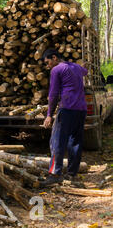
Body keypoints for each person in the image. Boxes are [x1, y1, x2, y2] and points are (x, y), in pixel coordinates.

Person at [40, 49, 88, 187]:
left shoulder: (57, 70)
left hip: (66, 109)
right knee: (75, 142)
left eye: (48, 62)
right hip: (81, 110)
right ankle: (72, 174)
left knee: (57, 142)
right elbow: (85, 71)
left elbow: (54, 94)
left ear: (54, 58)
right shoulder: (76, 67)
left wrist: (49, 114)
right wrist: (85, 67)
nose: (47, 65)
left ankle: (55, 174)